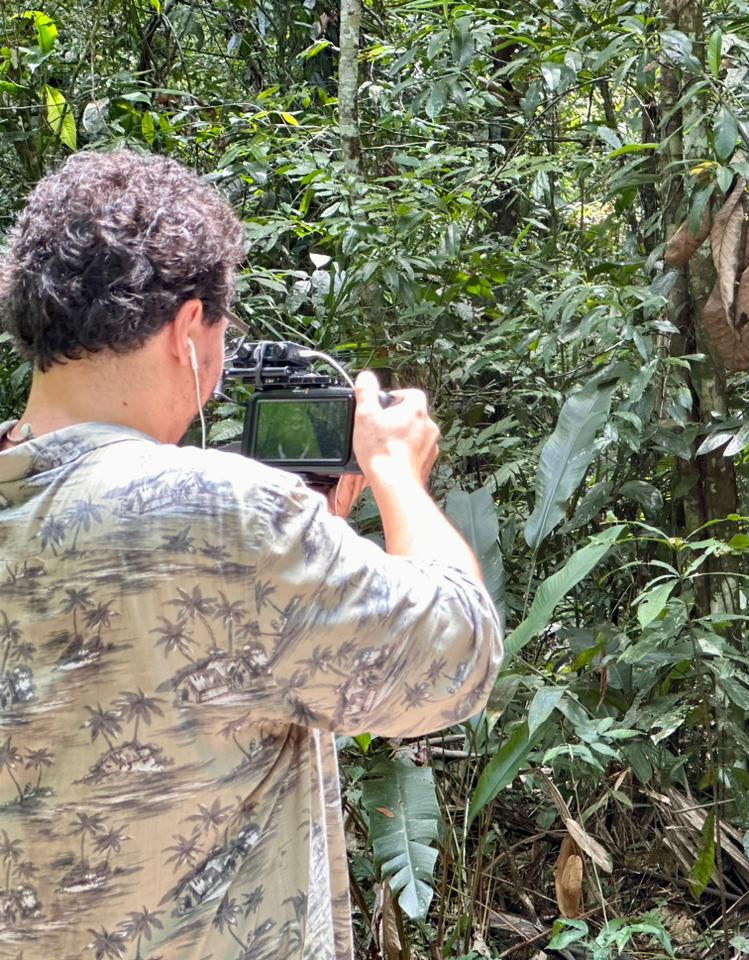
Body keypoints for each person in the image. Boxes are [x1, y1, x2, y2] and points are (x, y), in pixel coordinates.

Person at [0, 151, 504, 959]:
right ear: (186, 330)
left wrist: (306, 536)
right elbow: (457, 654)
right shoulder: (221, 514)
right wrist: (395, 472)